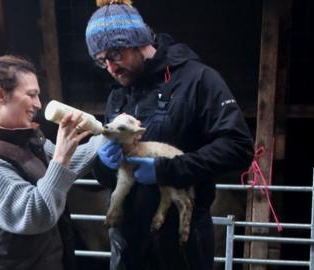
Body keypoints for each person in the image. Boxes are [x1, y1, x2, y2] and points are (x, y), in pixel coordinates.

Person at [85, 1, 254, 269]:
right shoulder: (118, 97)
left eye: (115, 54)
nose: (111, 68)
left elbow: (239, 147)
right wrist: (103, 166)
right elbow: (110, 179)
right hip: (128, 246)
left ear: (138, 40)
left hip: (181, 244)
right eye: (101, 60)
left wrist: (168, 169)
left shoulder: (198, 80)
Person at [0, 55, 105, 270]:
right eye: (31, 95)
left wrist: (107, 139)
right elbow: (33, 215)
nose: (38, 104)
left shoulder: (22, 137)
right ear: (0, 95)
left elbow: (63, 166)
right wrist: (60, 157)